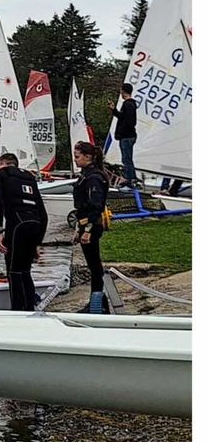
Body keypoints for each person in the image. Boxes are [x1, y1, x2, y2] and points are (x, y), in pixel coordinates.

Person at [0, 153, 48, 311]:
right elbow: (43, 213)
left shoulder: (0, 174)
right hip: (35, 224)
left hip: (16, 224)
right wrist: (38, 242)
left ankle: (17, 311)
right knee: (25, 270)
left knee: (14, 271)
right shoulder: (30, 177)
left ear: (2, 163)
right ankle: (30, 308)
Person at [71, 141, 110, 314]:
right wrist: (78, 229)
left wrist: (87, 230)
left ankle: (97, 301)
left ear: (88, 157)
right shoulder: (85, 175)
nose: (75, 160)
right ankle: (97, 300)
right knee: (92, 264)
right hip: (84, 223)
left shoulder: (94, 177)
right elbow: (82, 208)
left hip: (92, 225)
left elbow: (96, 205)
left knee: (95, 266)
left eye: (77, 156)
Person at [108, 83, 138, 188]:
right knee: (126, 158)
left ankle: (130, 180)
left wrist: (122, 131)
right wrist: (114, 110)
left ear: (123, 91)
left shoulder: (128, 104)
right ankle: (130, 178)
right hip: (129, 135)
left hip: (127, 136)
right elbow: (123, 117)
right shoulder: (130, 104)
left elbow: (129, 121)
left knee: (126, 159)